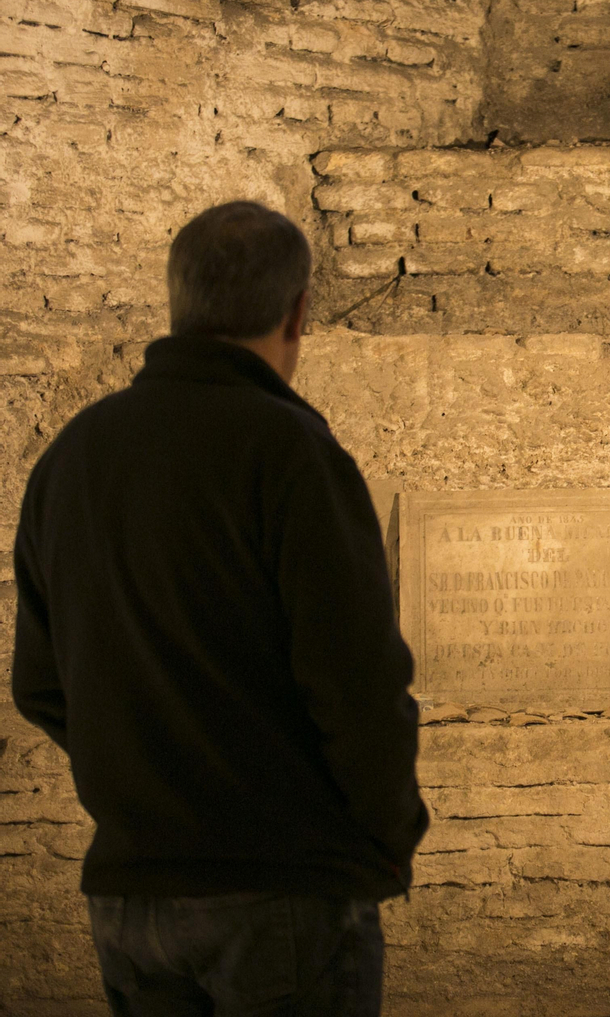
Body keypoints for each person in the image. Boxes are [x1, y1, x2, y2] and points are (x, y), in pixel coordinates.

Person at [11, 200, 429, 1014]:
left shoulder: (71, 459)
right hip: (281, 888)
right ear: (298, 312)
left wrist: (149, 770)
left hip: (132, 895)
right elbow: (356, 684)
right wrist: (387, 834)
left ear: (178, 305)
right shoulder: (290, 453)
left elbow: (41, 686)